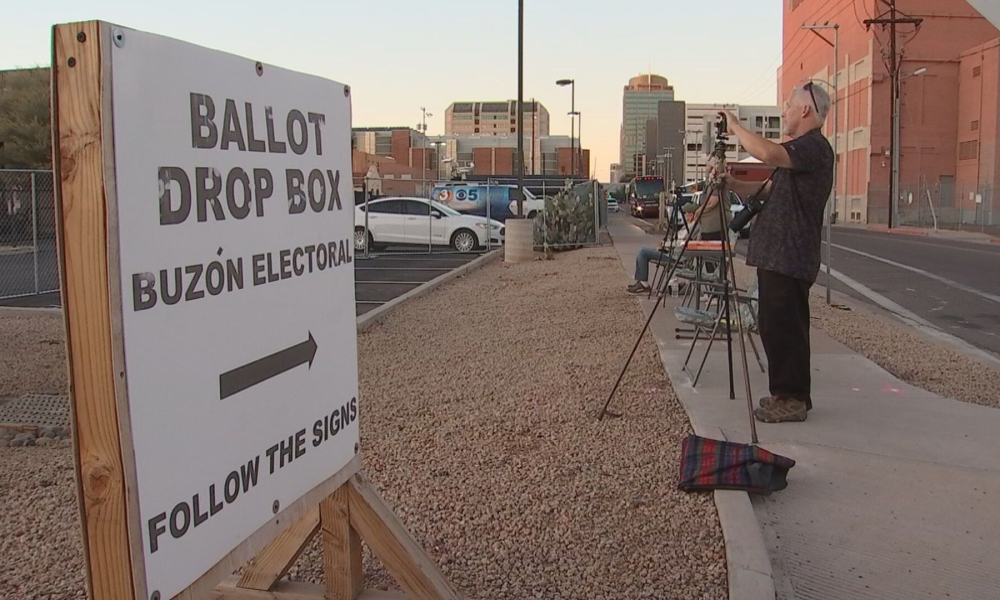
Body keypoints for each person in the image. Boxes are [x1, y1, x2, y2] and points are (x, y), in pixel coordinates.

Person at [718, 81, 834, 423]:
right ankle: (784, 393)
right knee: (773, 326)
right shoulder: (797, 154)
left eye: (788, 105)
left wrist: (735, 126)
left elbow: (767, 153)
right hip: (776, 256)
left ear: (805, 109)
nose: (784, 111)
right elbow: (766, 189)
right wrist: (731, 183)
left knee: (786, 328)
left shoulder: (814, 147)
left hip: (789, 255)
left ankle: (794, 398)